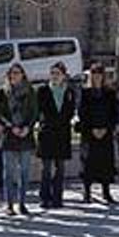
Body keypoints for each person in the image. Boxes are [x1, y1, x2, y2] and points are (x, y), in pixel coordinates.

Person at [0, 63, 38, 215]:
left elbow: (34, 112)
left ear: (22, 75)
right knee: (8, 173)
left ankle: (22, 203)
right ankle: (9, 204)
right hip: (9, 136)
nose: (14, 75)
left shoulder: (30, 91)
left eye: (17, 72)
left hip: (25, 135)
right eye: (12, 73)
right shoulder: (3, 92)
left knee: (24, 172)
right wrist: (10, 126)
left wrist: (27, 127)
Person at [77, 64, 119, 203]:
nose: (97, 77)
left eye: (99, 74)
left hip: (105, 132)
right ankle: (87, 192)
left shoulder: (110, 93)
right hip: (89, 133)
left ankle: (106, 192)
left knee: (105, 163)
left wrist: (106, 128)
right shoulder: (85, 93)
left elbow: (114, 113)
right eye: (94, 74)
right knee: (88, 162)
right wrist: (92, 129)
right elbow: (82, 113)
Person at [37, 62, 76, 209]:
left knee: (60, 168)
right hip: (47, 132)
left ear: (63, 76)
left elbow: (70, 111)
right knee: (46, 168)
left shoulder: (69, 92)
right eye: (52, 73)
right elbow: (41, 110)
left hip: (62, 133)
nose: (54, 76)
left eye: (58, 74)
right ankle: (45, 197)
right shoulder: (43, 90)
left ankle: (57, 197)